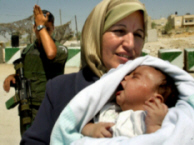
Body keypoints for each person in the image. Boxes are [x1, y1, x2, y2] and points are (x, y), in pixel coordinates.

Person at [20, 0, 148, 144]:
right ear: (96, 34)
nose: (130, 44)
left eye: (138, 34)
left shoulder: (156, 89)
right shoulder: (59, 91)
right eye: (119, 31)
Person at [3, 5, 68, 135]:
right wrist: (12, 77)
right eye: (38, 28)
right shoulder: (27, 51)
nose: (42, 31)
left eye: (46, 28)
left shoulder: (60, 50)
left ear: (53, 29)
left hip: (49, 109)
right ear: (34, 28)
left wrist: (41, 26)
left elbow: (50, 53)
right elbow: (25, 75)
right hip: (27, 109)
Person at [81, 65, 179, 138]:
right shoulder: (110, 108)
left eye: (135, 77)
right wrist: (92, 129)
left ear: (155, 101)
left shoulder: (150, 120)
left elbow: (159, 140)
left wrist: (154, 127)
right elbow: (81, 126)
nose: (125, 77)